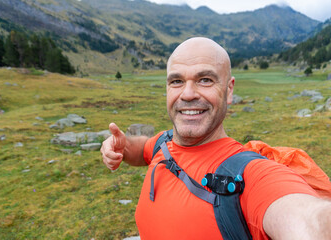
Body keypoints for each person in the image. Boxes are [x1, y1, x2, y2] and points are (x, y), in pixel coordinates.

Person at [101, 37, 331, 239]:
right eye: (177, 81)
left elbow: (308, 220)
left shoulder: (249, 176)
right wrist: (121, 148)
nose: (188, 94)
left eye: (205, 80)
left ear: (229, 90)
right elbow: (141, 151)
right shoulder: (164, 142)